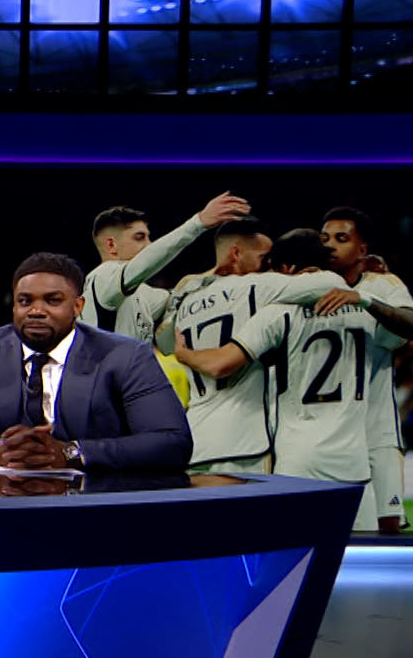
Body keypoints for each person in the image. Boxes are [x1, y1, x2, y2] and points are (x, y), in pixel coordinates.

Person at [176, 230, 408, 532]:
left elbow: (221, 363)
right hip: (352, 457)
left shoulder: (278, 314)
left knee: (295, 548)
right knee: (356, 548)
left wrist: (184, 354)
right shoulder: (366, 311)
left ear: (285, 269)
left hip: (295, 455)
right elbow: (404, 330)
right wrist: (367, 297)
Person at [0, 252, 192, 471]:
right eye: (25, 301)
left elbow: (171, 441)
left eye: (52, 300)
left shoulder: (125, 355)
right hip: (3, 501)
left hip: (96, 502)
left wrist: (72, 453)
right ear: (14, 306)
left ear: (78, 306)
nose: (36, 311)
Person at [155, 221, 358, 474]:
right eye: (264, 257)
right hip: (245, 442)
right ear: (236, 254)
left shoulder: (187, 297)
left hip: (197, 439)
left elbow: (164, 342)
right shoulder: (259, 287)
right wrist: (309, 271)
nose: (268, 265)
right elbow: (332, 285)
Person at [322, 207, 413, 532]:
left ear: (363, 250)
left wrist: (364, 300)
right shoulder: (305, 287)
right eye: (324, 238)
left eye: (341, 238)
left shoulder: (383, 284)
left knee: (387, 524)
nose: (330, 245)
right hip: (323, 431)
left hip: (375, 428)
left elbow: (409, 324)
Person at [84, 192, 250, 342]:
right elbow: (145, 262)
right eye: (139, 238)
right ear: (111, 244)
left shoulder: (143, 293)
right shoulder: (102, 277)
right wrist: (198, 223)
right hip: (104, 368)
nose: (149, 245)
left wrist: (220, 270)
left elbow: (181, 295)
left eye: (148, 237)